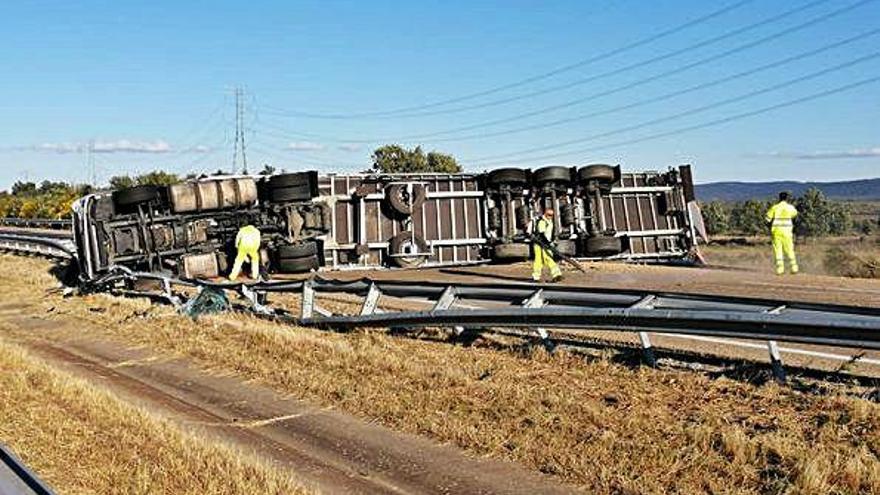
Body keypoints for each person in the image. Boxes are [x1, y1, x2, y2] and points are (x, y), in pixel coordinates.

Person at [765, 192, 799, 275]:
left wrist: (770, 227)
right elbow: (795, 216)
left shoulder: (775, 207)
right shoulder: (790, 208)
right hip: (787, 231)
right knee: (789, 250)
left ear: (779, 198)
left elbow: (767, 219)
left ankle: (780, 269)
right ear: (787, 198)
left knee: (778, 250)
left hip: (776, 231)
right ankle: (794, 267)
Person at [531, 207, 563, 283]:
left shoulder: (549, 222)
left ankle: (556, 274)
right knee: (541, 260)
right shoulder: (542, 222)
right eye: (549, 215)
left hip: (545, 243)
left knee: (547, 258)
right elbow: (541, 234)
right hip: (540, 243)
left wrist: (551, 241)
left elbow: (549, 234)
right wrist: (547, 242)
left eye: (551, 215)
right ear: (545, 214)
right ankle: (537, 276)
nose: (550, 216)